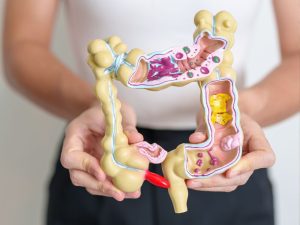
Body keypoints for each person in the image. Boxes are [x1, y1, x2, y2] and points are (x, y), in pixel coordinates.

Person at [2, 0, 299, 225]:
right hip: (101, 146)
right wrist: (101, 107)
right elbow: (23, 45)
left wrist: (240, 110)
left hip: (229, 163)